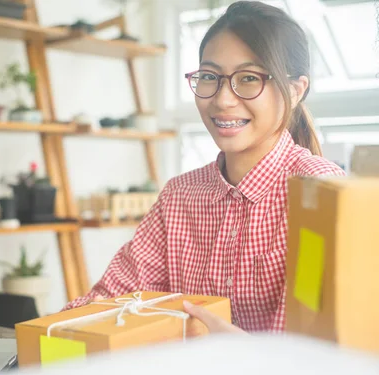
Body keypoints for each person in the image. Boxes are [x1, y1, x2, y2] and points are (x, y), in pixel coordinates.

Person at [63, 1, 345, 334]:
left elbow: (310, 346)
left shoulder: (320, 192)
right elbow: (112, 300)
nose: (223, 99)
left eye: (249, 78)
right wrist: (50, 332)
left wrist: (238, 351)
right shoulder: (179, 197)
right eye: (209, 76)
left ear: (296, 91)